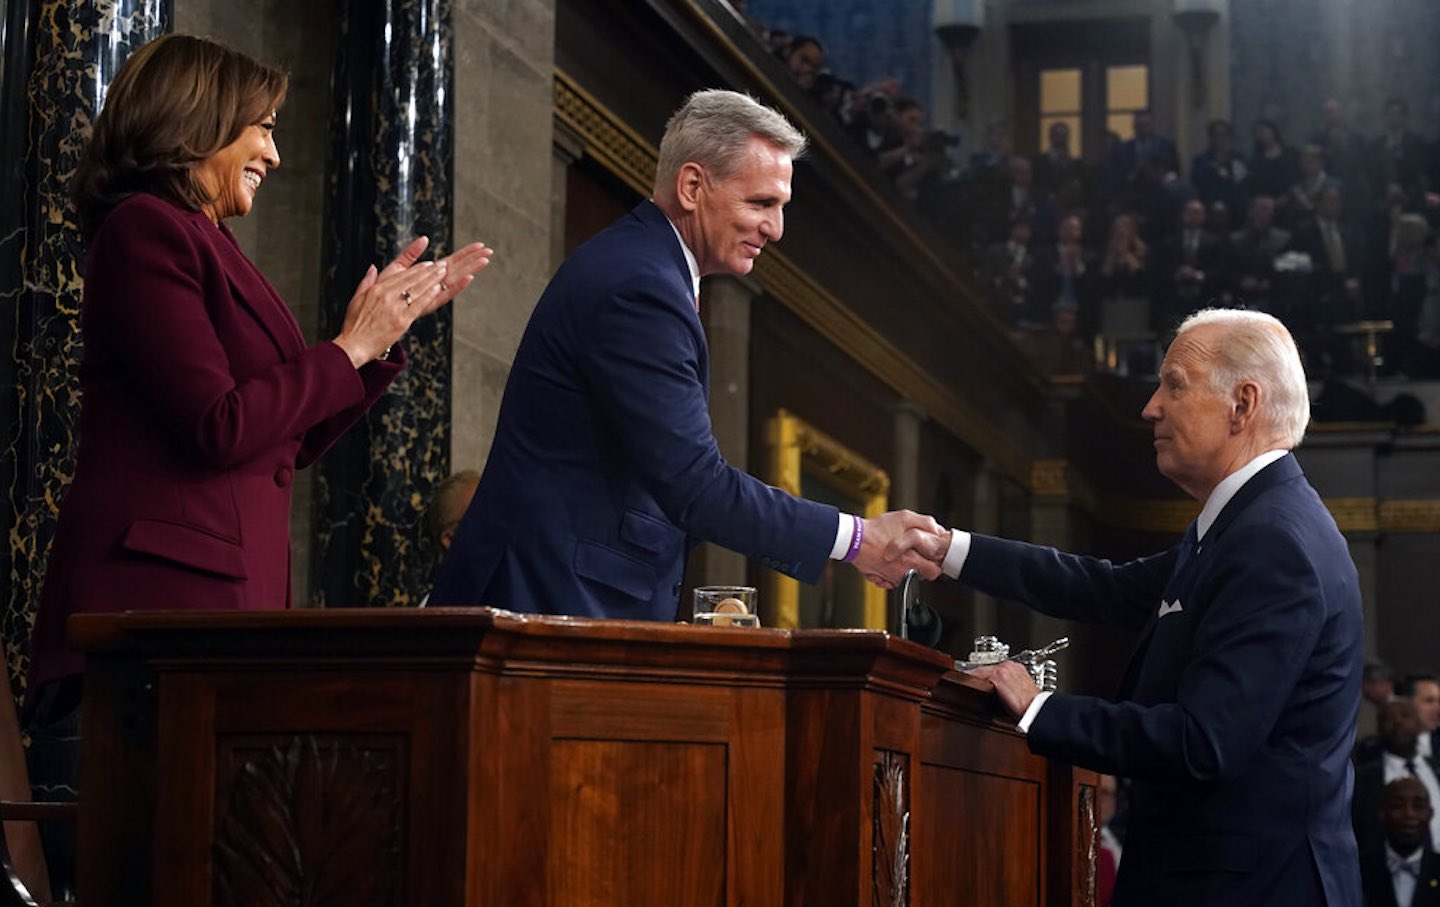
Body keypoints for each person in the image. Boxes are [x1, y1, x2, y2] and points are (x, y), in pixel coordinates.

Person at [23, 33, 493, 895]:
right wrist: (348, 347)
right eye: (263, 128)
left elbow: (290, 439)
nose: (275, 151)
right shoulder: (145, 232)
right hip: (146, 633)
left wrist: (376, 350)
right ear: (198, 123)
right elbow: (217, 423)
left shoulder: (213, 245)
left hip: (218, 632)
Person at [900, 308, 1364, 904]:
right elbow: (1107, 589)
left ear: (1243, 404)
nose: (1150, 407)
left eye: (1175, 385)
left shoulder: (1273, 541)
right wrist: (946, 549)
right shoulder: (1249, 524)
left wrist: (1038, 707)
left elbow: (1203, 742)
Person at [431, 90, 943, 617]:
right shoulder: (640, 286)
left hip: (564, 600)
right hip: (540, 604)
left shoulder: (649, 271)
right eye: (761, 203)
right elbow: (696, 486)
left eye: (781, 207)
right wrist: (856, 539)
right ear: (693, 186)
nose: (776, 228)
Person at [1352, 698, 1440, 857]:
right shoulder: (1362, 780)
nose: (1397, 722)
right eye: (1388, 719)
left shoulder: (1437, 769)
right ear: (1378, 727)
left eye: (1405, 715)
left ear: (1418, 723)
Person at [1358, 777, 1440, 907]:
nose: (1409, 814)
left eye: (1418, 806)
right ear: (1382, 813)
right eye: (1397, 805)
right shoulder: (1358, 870)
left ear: (1430, 814)